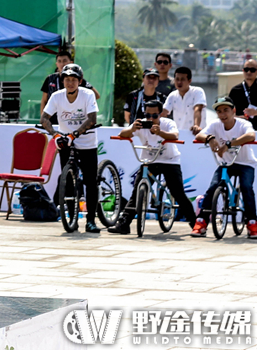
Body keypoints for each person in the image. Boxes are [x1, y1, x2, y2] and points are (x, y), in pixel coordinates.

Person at [107, 99, 197, 234]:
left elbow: (175, 135)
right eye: (148, 115)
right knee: (136, 192)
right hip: (149, 161)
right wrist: (132, 129)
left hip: (169, 160)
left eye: (154, 116)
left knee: (177, 192)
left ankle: (195, 224)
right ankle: (124, 224)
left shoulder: (168, 123)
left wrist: (160, 133)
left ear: (160, 114)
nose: (150, 118)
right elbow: (123, 134)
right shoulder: (141, 124)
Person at [41, 63, 101, 233]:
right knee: (67, 179)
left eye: (74, 80)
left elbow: (92, 119)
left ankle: (91, 220)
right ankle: (71, 217)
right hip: (65, 140)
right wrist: (54, 134)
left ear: (80, 81)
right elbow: (44, 118)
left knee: (90, 181)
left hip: (87, 141)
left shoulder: (87, 94)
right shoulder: (57, 96)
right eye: (67, 79)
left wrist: (76, 133)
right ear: (63, 81)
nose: (70, 83)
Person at [190, 96, 257, 238]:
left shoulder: (242, 124)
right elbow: (200, 134)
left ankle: (252, 223)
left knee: (246, 188)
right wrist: (210, 138)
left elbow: (251, 136)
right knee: (213, 187)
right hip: (226, 164)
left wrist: (228, 145)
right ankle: (201, 222)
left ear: (234, 111)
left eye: (226, 110)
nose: (223, 114)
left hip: (246, 163)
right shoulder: (215, 125)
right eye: (219, 111)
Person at [40, 50, 100, 124]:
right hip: (53, 121)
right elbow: (44, 100)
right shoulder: (50, 78)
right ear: (56, 64)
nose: (62, 64)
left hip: (74, 121)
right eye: (59, 61)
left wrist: (76, 106)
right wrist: (43, 119)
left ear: (71, 63)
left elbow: (96, 95)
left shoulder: (78, 79)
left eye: (65, 61)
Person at [162, 66, 207, 138]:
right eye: (177, 79)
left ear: (189, 81)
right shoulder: (172, 95)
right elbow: (164, 112)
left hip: (197, 135)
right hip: (179, 135)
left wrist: (196, 125)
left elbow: (198, 109)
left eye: (182, 79)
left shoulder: (197, 91)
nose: (179, 82)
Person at [229, 58, 257, 128]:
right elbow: (227, 111)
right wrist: (236, 118)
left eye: (252, 70)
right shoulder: (235, 90)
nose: (249, 72)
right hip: (241, 129)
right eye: (246, 69)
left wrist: (256, 112)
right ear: (243, 71)